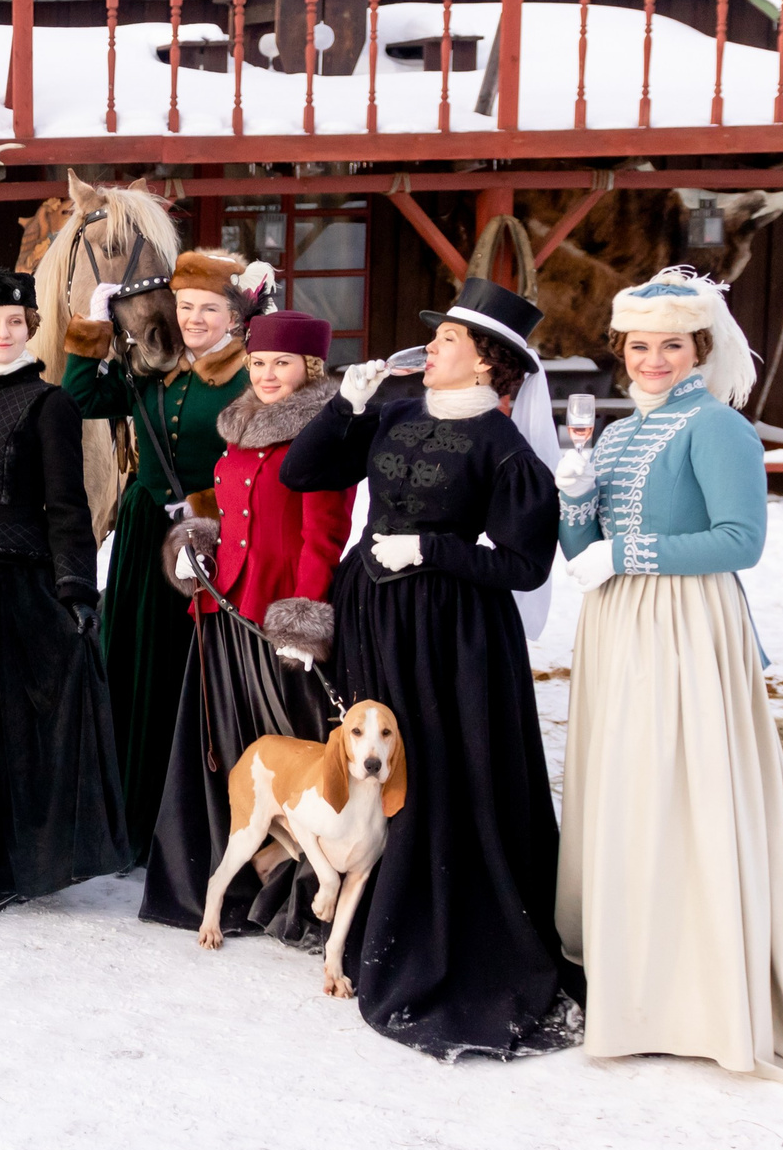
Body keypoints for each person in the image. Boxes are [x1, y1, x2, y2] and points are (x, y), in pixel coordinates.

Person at [555, 270, 783, 1091]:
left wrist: (628, 553)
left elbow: (740, 540)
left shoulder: (716, 428)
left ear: (698, 350)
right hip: (617, 626)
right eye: (638, 346)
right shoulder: (609, 437)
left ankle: (694, 988)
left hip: (686, 627)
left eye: (669, 345)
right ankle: (630, 975)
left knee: (685, 789)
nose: (652, 359)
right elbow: (578, 555)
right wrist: (575, 502)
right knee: (629, 789)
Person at [282, 276, 581, 1061]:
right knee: (372, 764)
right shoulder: (394, 410)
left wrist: (436, 550)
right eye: (439, 335)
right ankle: (361, 904)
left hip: (450, 632)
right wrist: (344, 405)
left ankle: (424, 923)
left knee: (439, 769)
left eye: (448, 339)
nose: (433, 348)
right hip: (373, 612)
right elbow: (302, 475)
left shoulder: (507, 450)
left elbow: (522, 565)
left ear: (486, 363)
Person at [142, 308, 355, 943]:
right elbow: (231, 515)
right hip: (224, 611)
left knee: (288, 749)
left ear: (309, 368)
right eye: (258, 362)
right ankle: (240, 876)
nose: (266, 374)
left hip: (279, 619)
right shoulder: (238, 429)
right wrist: (199, 546)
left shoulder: (323, 436)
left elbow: (326, 538)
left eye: (281, 363)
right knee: (232, 751)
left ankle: (298, 893)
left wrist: (303, 619)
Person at [63, 248, 267, 855]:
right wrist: (93, 329)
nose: (194, 318)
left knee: (193, 671)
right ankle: (133, 814)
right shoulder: (153, 370)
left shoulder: (249, 374)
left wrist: (206, 513)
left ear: (234, 315)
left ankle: (193, 820)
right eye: (184, 307)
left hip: (214, 537)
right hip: (143, 538)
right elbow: (82, 398)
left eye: (208, 307)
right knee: (133, 665)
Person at [0, 266, 129, 911]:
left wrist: (76, 589)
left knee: (22, 729)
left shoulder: (52, 403)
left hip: (23, 584)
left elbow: (67, 505)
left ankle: (21, 871)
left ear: (30, 330)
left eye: (14, 322)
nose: (2, 332)